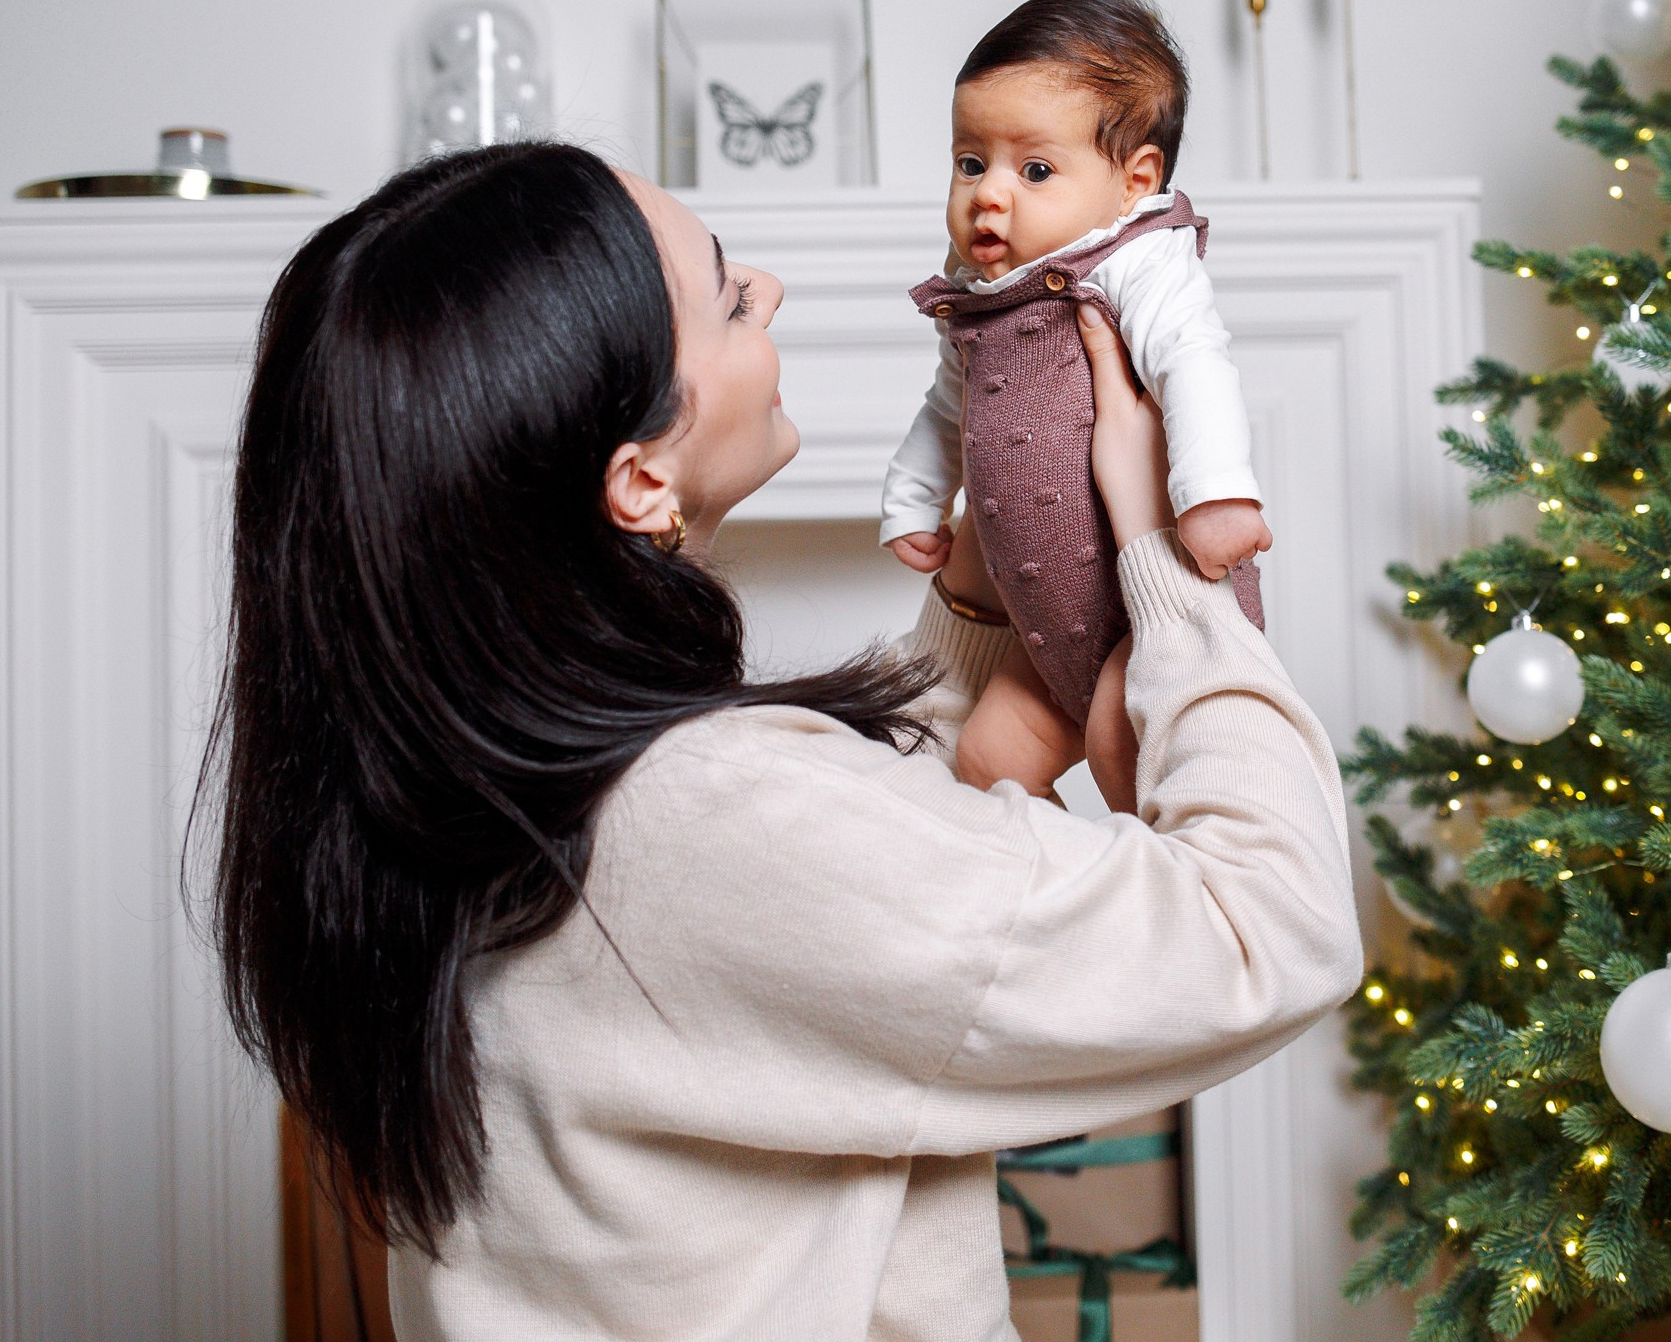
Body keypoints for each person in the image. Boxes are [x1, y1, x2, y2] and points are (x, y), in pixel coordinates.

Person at [209, 140, 1360, 1339]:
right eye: (724, 293)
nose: (768, 287)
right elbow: (1268, 925)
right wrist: (1170, 561)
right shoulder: (708, 818)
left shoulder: (471, 795)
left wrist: (976, 596)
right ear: (640, 479)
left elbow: (832, 894)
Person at [879, 0, 1273, 814]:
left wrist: (1217, 496)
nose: (990, 194)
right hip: (1043, 623)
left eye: (1035, 170)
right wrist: (918, 497)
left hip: (1150, 609)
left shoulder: (1139, 258)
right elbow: (953, 402)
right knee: (987, 761)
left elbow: (1193, 362)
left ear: (1135, 182)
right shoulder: (979, 290)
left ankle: (1167, 917)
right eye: (969, 162)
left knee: (1121, 755)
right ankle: (1064, 926)